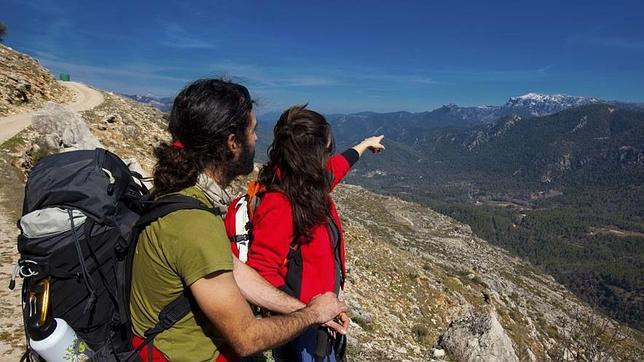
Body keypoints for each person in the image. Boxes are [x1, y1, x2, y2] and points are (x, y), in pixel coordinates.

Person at [129, 79, 347, 362]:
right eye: (253, 131)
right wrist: (311, 314)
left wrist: (303, 308)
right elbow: (247, 337)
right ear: (233, 143)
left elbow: (234, 271)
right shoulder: (194, 224)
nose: (257, 139)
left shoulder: (182, 194)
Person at [246, 105, 385, 361]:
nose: (328, 156)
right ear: (314, 152)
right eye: (326, 148)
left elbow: (339, 166)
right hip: (302, 328)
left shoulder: (307, 184)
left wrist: (365, 145)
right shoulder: (280, 202)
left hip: (320, 318)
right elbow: (261, 269)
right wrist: (306, 312)